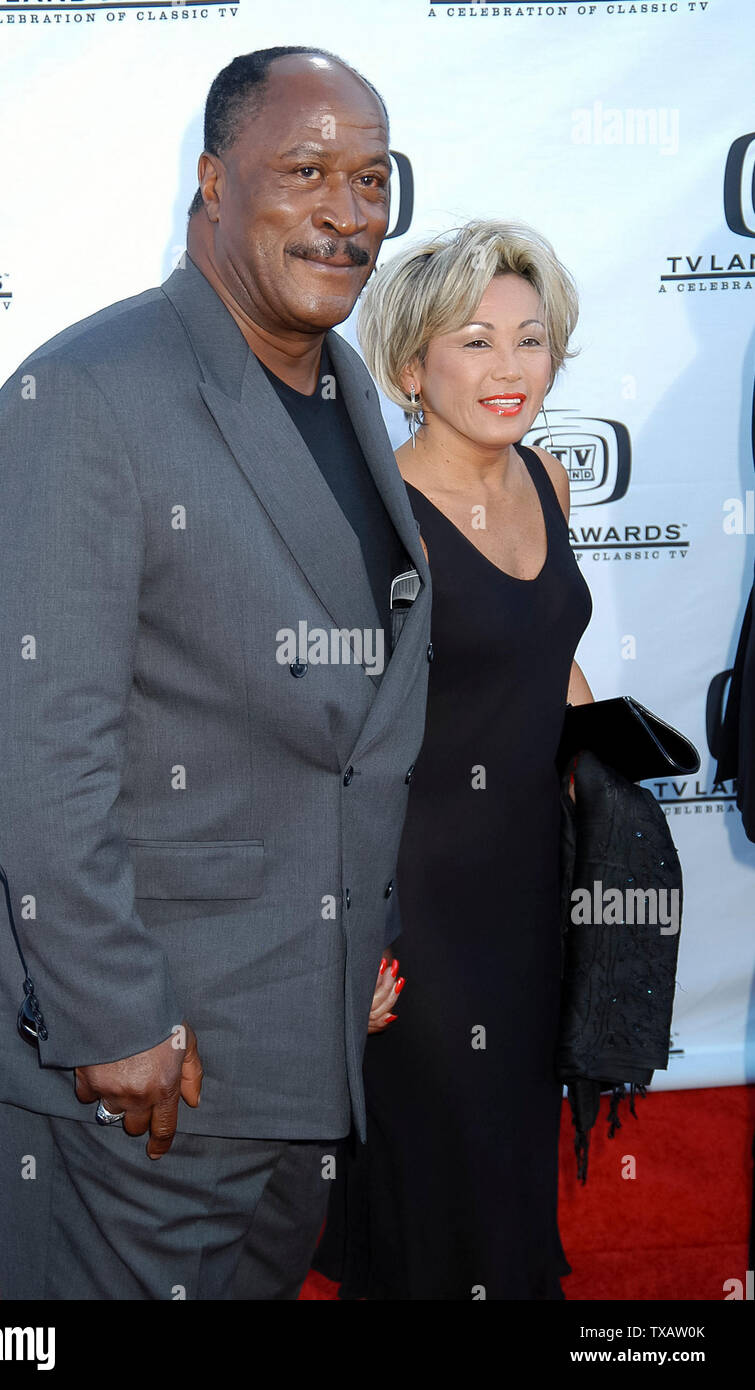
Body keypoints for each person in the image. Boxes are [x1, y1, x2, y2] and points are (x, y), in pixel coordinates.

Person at [0, 47, 431, 1301]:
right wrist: (113, 1018)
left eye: (373, 179)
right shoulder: (88, 394)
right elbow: (34, 741)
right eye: (307, 171)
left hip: (297, 1055)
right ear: (211, 186)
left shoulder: (346, 391)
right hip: (148, 1071)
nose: (348, 211)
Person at [314, 219, 595, 1300]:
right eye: (475, 340)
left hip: (529, 890)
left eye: (531, 340)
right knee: (436, 1181)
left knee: (511, 1170)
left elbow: (550, 664)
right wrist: (354, 939)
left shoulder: (549, 480)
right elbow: (332, 743)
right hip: (417, 906)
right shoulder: (380, 521)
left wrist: (614, 768)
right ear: (408, 366)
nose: (510, 367)